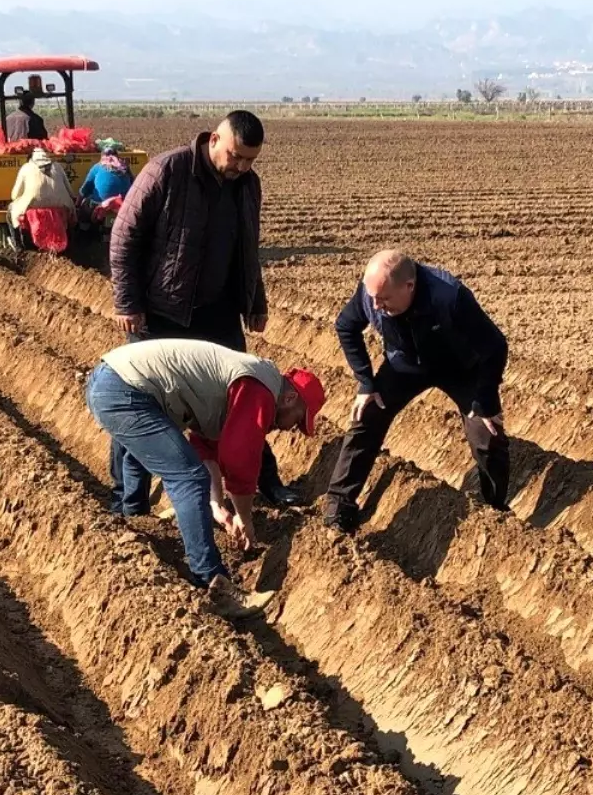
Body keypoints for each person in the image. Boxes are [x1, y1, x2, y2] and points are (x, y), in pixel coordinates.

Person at [109, 110, 303, 514]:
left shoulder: (248, 185)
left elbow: (248, 248)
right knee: (145, 401)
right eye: (236, 156)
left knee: (248, 395)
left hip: (219, 310)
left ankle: (267, 483)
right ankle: (129, 498)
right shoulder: (167, 171)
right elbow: (125, 236)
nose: (241, 166)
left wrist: (256, 302)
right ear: (214, 139)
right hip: (162, 310)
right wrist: (128, 302)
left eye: (250, 159)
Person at [85, 338, 325, 603]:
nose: (292, 428)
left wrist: (217, 507)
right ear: (290, 398)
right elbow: (239, 459)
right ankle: (213, 581)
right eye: (297, 419)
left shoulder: (252, 381)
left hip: (113, 380)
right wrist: (245, 519)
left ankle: (134, 522)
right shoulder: (260, 391)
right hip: (124, 390)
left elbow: (207, 448)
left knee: (144, 457)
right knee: (188, 477)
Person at [324, 250, 510, 534]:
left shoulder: (448, 295)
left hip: (459, 367)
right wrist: (365, 382)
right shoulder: (370, 295)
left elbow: (495, 345)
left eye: (384, 299)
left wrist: (485, 399)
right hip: (405, 367)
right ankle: (339, 507)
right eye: (373, 297)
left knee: (487, 434)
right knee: (366, 416)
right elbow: (346, 327)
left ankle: (495, 508)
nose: (376, 305)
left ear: (409, 286)